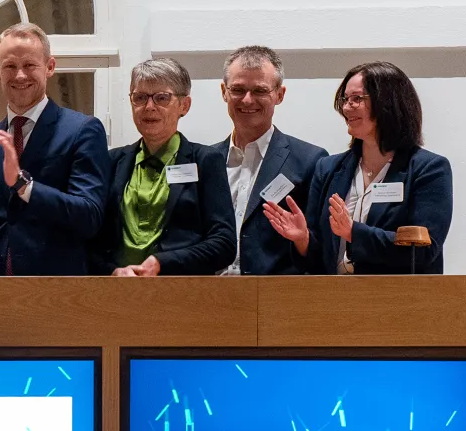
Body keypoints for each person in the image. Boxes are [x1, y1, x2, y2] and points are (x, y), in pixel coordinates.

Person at [264, 61, 452, 274]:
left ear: (388, 102)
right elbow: (318, 261)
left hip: (397, 300)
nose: (346, 108)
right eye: (345, 99)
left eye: (357, 99)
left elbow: (424, 250)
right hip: (333, 300)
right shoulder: (327, 168)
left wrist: (354, 232)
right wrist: (302, 238)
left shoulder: (429, 169)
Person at [0, 22, 110, 275]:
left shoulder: (82, 131)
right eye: (10, 66)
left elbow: (89, 217)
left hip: (57, 292)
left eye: (29, 65)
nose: (20, 76)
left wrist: (24, 185)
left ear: (50, 67)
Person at [91, 57, 235, 276]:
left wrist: (163, 263)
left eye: (161, 98)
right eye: (140, 97)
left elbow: (223, 244)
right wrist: (112, 271)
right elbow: (92, 240)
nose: (149, 107)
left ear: (184, 105)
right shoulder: (111, 161)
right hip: (117, 293)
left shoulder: (205, 160)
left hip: (181, 295)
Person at [212, 46, 326, 275]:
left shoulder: (310, 161)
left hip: (276, 301)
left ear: (279, 95)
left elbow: (322, 252)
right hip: (211, 299)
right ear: (224, 92)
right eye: (238, 89)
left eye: (259, 91)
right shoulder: (206, 161)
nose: (247, 100)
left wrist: (303, 239)